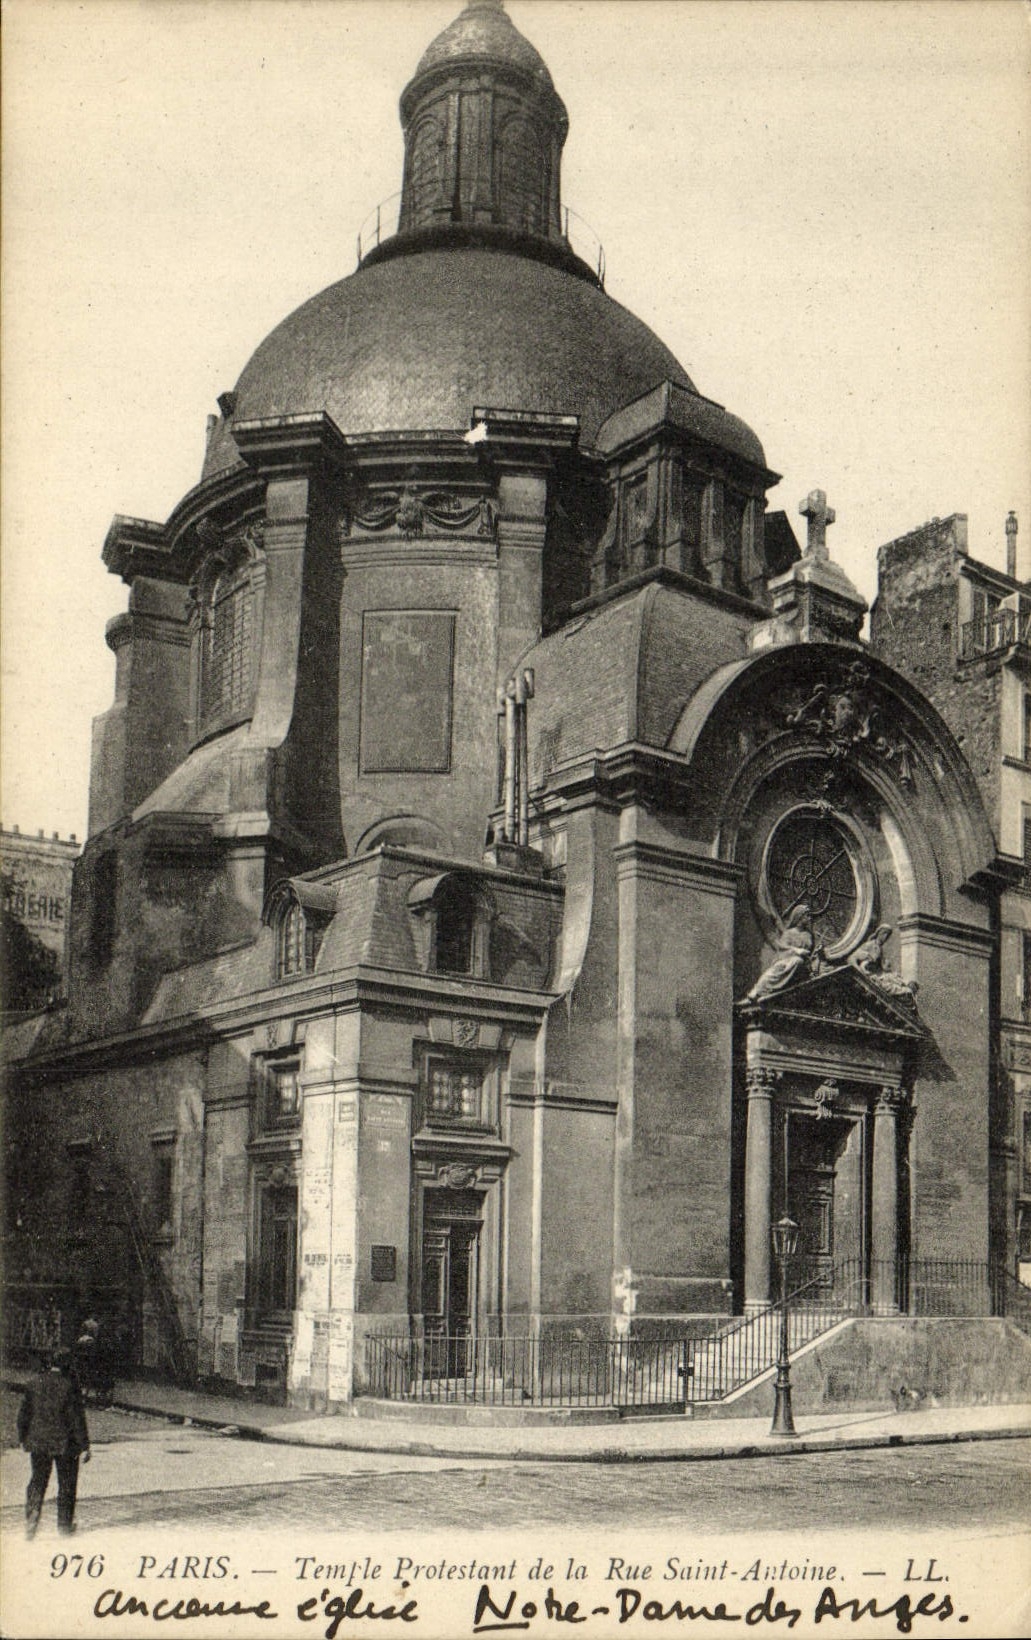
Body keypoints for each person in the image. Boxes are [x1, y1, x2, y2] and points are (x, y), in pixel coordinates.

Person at [18, 1347, 91, 1537]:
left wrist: (23, 1438)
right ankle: (64, 1527)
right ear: (68, 1366)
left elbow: (24, 1415)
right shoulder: (70, 1386)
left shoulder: (33, 1383)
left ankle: (32, 1521)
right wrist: (84, 1445)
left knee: (37, 1481)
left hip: (39, 1442)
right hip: (64, 1444)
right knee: (66, 1484)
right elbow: (76, 1418)